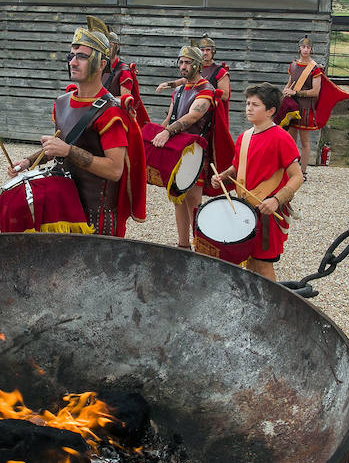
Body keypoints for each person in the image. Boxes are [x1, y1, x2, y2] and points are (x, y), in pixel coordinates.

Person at [10, 16, 146, 236]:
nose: (73, 62)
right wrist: (27, 162)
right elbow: (62, 145)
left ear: (102, 63)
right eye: (71, 56)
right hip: (64, 208)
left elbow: (114, 170)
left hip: (96, 218)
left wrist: (68, 151)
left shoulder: (111, 112)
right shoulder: (63, 102)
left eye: (82, 57)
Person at [212, 83, 304, 280]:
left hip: (268, 212)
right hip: (245, 209)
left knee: (263, 266)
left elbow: (298, 176)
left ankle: (272, 308)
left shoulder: (281, 137)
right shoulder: (244, 137)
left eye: (255, 104)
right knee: (249, 264)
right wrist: (223, 176)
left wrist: (277, 200)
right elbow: (238, 168)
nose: (249, 108)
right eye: (247, 103)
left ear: (271, 110)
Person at [152, 43, 233, 248]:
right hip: (177, 148)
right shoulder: (179, 89)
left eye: (188, 62)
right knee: (177, 197)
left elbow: (193, 116)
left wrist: (168, 132)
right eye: (180, 62)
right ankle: (183, 245)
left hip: (195, 150)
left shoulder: (207, 90)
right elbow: (171, 118)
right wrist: (156, 135)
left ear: (197, 65)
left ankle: (200, 245)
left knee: (194, 200)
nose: (183, 66)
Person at [281, 35, 324, 177]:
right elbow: (289, 83)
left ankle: (303, 172)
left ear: (311, 49)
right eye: (303, 47)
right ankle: (292, 170)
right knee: (290, 141)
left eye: (308, 47)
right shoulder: (293, 65)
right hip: (292, 108)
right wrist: (285, 92)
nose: (305, 50)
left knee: (305, 142)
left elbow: (315, 92)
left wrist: (296, 92)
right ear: (299, 48)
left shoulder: (315, 68)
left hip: (305, 109)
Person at [100, 30, 150, 125]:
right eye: (104, 46)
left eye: (110, 46)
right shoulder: (100, 68)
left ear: (117, 47)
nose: (106, 49)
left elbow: (124, 99)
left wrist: (101, 100)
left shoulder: (123, 70)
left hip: (117, 119)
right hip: (101, 115)